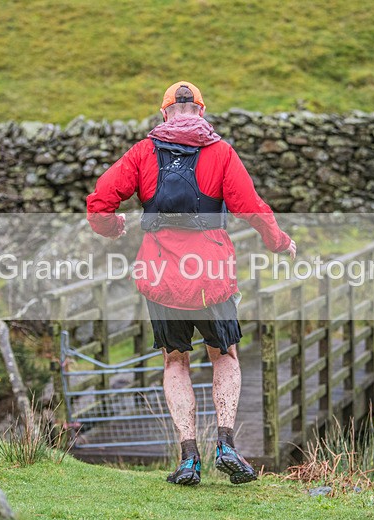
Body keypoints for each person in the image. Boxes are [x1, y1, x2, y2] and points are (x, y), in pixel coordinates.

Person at [86, 81, 296, 486]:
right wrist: (279, 241)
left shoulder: (143, 152)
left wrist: (113, 227)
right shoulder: (220, 152)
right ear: (201, 111)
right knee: (225, 355)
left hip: (161, 274)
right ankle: (227, 444)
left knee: (175, 360)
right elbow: (251, 207)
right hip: (210, 276)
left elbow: (99, 203)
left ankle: (188, 458)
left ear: (164, 112)